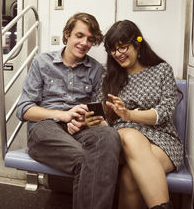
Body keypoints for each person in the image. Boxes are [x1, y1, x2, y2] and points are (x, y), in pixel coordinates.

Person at [16, 12, 121, 209]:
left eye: (90, 39)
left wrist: (82, 121)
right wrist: (61, 115)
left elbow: (97, 112)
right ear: (67, 35)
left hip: (80, 130)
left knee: (109, 135)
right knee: (89, 160)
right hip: (46, 128)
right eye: (79, 36)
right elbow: (24, 109)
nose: (84, 43)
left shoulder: (96, 70)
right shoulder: (42, 63)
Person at [85, 20, 183, 209]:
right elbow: (105, 119)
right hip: (123, 140)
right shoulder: (109, 77)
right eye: (113, 50)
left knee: (129, 176)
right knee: (129, 135)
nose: (118, 54)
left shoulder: (162, 70)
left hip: (163, 141)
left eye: (123, 47)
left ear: (137, 44)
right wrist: (94, 122)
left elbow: (165, 111)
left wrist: (129, 115)